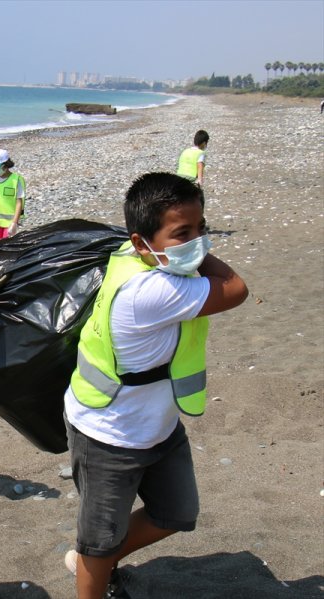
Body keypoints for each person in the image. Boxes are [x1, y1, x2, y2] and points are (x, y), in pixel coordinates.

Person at [63, 173, 248, 598]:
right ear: (141, 242)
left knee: (175, 512)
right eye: (182, 233)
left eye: (202, 228)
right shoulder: (152, 290)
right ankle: (94, 566)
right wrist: (202, 256)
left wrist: (188, 247)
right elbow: (236, 289)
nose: (198, 241)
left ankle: (91, 563)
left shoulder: (136, 256)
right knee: (99, 539)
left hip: (158, 427)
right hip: (109, 433)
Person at [0, 149, 25, 243]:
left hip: (10, 221)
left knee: (6, 246)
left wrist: (14, 223)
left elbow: (19, 202)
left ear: (5, 166)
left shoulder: (16, 180)